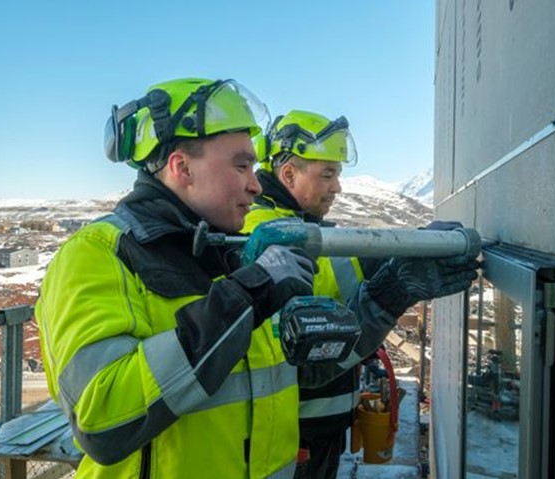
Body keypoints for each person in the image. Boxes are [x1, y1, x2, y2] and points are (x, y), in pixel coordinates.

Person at [36, 78, 318, 478]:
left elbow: (266, 386)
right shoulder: (99, 252)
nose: (256, 184)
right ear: (182, 167)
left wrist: (385, 297)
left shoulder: (228, 254)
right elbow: (102, 420)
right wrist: (245, 296)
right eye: (241, 165)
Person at [243, 110, 480, 478]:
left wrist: (419, 243)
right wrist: (394, 291)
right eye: (328, 174)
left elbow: (354, 270)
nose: (337, 187)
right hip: (292, 435)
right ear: (288, 173)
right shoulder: (269, 240)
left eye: (338, 174)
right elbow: (306, 362)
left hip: (319, 430)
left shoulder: (310, 232)